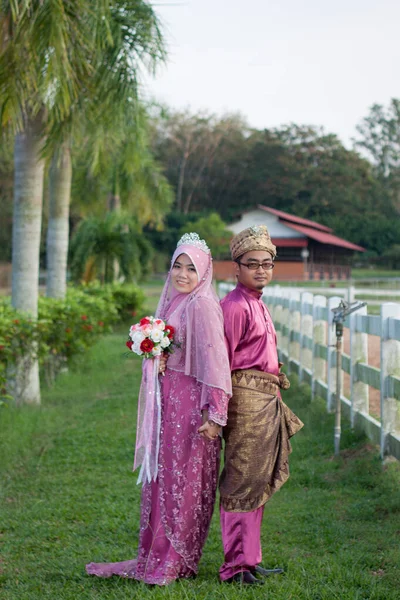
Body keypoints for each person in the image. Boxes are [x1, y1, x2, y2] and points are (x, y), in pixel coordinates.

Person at [86, 233, 232, 585]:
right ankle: (158, 554)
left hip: (192, 411)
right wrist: (160, 355)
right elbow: (180, 349)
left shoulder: (201, 305)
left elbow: (216, 364)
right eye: (177, 266)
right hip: (168, 404)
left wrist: (215, 415)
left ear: (205, 272)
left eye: (191, 268)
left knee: (184, 480)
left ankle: (174, 559)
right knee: (165, 478)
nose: (182, 274)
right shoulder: (173, 303)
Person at [219, 225, 304, 585]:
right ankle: (235, 567)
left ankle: (250, 560)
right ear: (235, 268)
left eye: (267, 264)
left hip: (267, 400)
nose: (260, 270)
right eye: (252, 264)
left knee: (256, 482)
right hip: (246, 404)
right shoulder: (235, 306)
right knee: (241, 482)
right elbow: (220, 364)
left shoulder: (257, 303)